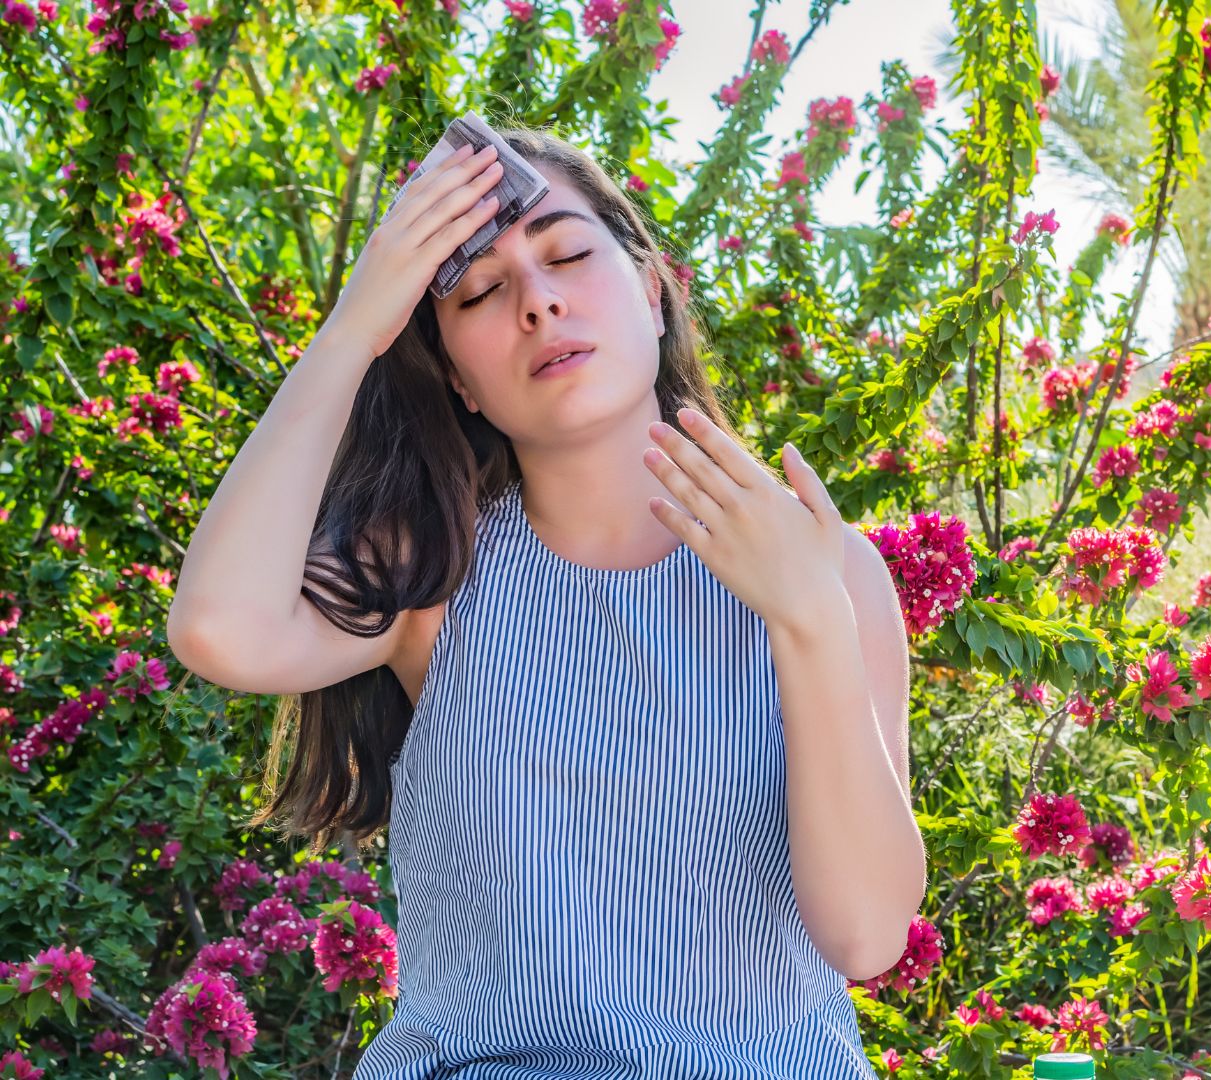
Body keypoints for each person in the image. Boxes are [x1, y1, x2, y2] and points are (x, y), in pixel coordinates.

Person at [165, 119, 923, 1078]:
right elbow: (215, 627)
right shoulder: (435, 575)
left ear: (652, 294)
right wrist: (359, 322)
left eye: (567, 253)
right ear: (459, 383)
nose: (538, 303)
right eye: (480, 290)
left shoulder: (831, 570)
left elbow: (865, 937)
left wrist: (808, 616)